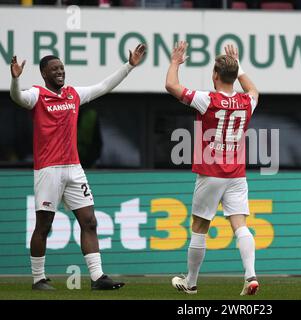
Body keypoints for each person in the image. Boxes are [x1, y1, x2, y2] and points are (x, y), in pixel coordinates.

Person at [10, 44, 146, 290]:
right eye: (54, 69)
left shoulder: (74, 94)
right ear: (44, 74)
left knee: (90, 221)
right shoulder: (37, 95)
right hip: (48, 170)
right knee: (44, 226)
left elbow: (104, 86)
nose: (60, 72)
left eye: (62, 67)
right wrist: (15, 79)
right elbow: (17, 98)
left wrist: (129, 66)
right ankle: (38, 279)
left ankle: (97, 278)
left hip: (74, 169)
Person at [165, 42, 260, 295]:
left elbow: (171, 87)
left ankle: (191, 282)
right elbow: (253, 89)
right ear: (234, 74)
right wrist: (238, 66)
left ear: (215, 75)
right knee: (240, 225)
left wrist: (175, 61)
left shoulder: (208, 100)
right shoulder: (247, 101)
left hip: (211, 173)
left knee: (199, 227)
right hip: (237, 175)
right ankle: (250, 275)